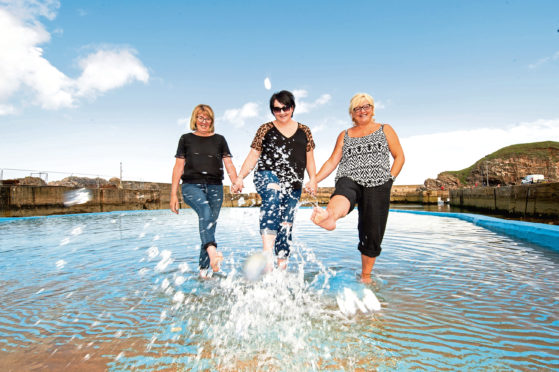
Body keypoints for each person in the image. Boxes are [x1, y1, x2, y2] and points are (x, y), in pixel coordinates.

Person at [311, 93, 405, 283]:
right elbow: (332, 162)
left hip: (379, 183)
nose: (362, 111)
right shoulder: (344, 135)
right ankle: (330, 217)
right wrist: (315, 180)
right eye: (357, 108)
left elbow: (400, 156)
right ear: (352, 113)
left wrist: (389, 180)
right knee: (343, 192)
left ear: (372, 109)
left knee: (372, 231)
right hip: (350, 176)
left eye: (366, 106)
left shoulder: (385, 129)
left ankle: (366, 276)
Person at [234, 90, 317, 270]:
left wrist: (313, 179)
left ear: (292, 108)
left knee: (286, 224)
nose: (281, 112)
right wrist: (240, 177)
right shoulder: (265, 129)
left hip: (293, 183)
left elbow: (309, 158)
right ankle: (266, 256)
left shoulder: (305, 131)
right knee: (272, 193)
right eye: (276, 109)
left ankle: (281, 270)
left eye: (285, 108)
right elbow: (254, 155)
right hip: (267, 175)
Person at [170, 104, 238, 278]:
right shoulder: (185, 139)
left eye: (207, 118)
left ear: (212, 121)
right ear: (195, 119)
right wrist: (173, 195)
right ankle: (213, 252)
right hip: (191, 186)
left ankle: (203, 272)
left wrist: (235, 181)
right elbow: (178, 167)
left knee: (209, 225)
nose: (204, 121)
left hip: (215, 187)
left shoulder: (220, 139)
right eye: (200, 117)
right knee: (205, 213)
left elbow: (228, 163)